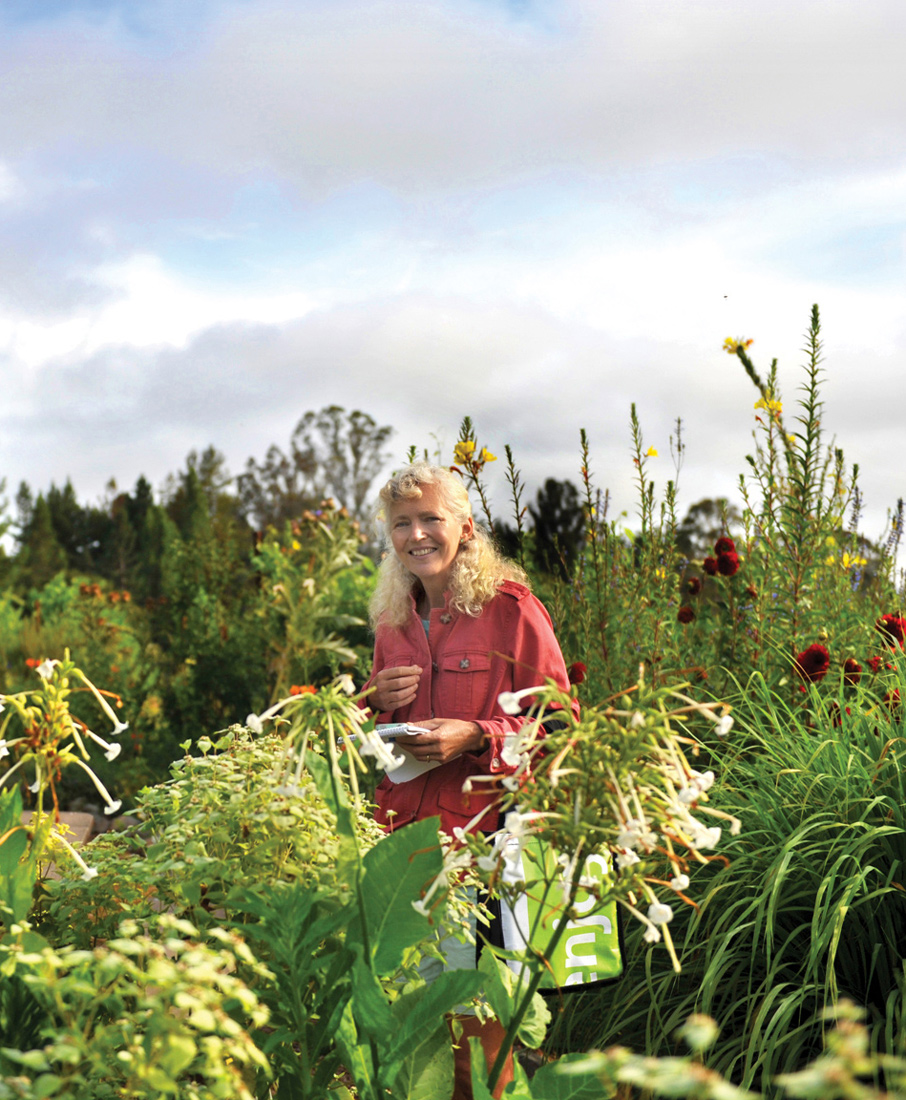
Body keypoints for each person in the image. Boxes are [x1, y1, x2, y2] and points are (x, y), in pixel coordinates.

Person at [364, 462, 576, 1100]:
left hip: (483, 851)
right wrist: (368, 702)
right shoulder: (392, 620)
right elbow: (378, 737)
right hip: (403, 846)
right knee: (407, 1029)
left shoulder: (511, 611)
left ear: (466, 527)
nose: (417, 534)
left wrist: (477, 734)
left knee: (474, 1046)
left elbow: (560, 726)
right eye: (403, 523)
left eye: (432, 519)